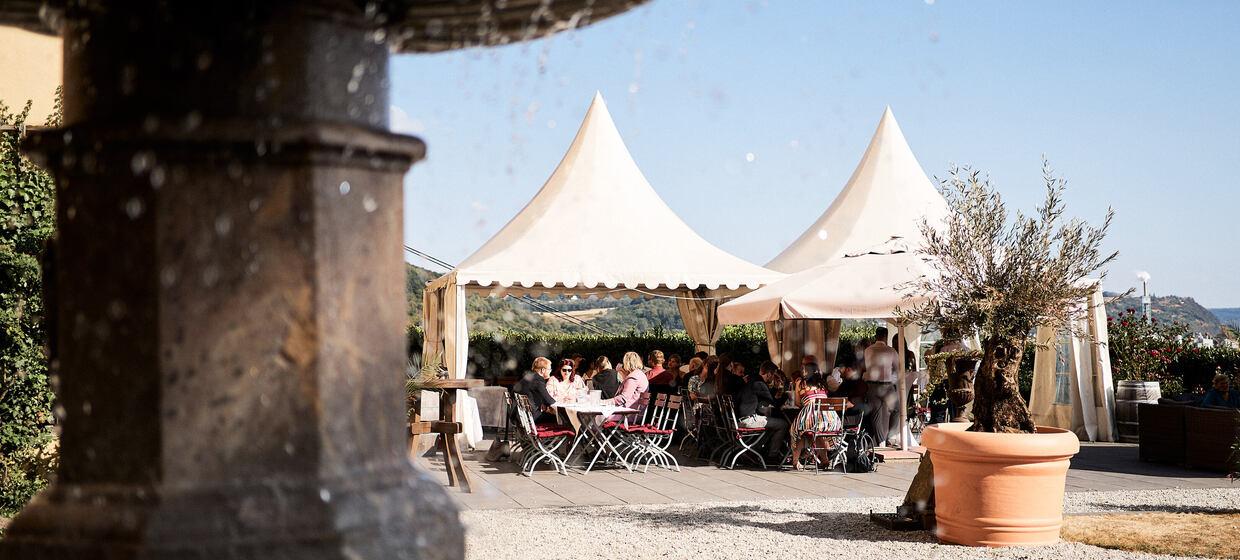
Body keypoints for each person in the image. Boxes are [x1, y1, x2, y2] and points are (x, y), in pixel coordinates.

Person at [790, 373, 844, 469]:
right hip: (831, 422)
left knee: (798, 431)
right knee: (816, 433)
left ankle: (795, 461)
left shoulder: (802, 384)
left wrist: (797, 385)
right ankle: (825, 461)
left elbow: (798, 403)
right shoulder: (822, 384)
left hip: (812, 420)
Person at [736, 363, 789, 462]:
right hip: (748, 420)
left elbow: (765, 400)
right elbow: (774, 404)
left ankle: (753, 451)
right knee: (783, 424)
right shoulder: (759, 384)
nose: (773, 378)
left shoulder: (753, 381)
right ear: (769, 374)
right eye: (773, 376)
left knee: (772, 424)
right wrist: (783, 393)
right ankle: (772, 456)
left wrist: (776, 391)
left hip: (741, 418)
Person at [865, 327, 901, 446]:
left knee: (876, 415)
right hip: (886, 385)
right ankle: (890, 436)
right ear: (886, 336)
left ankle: (881, 442)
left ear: (876, 335)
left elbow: (867, 367)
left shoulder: (868, 350)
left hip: (871, 385)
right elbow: (897, 369)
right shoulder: (891, 351)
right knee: (896, 409)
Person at [511, 357, 557, 424]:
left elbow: (513, 392)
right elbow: (549, 400)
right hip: (531, 418)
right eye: (549, 369)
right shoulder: (538, 380)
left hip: (520, 416)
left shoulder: (528, 377)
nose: (550, 371)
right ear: (543, 370)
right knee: (559, 417)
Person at [607, 351, 649, 421]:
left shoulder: (633, 377)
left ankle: (590, 431)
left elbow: (623, 398)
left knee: (600, 416)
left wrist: (606, 402)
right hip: (637, 412)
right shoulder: (640, 374)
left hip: (629, 413)